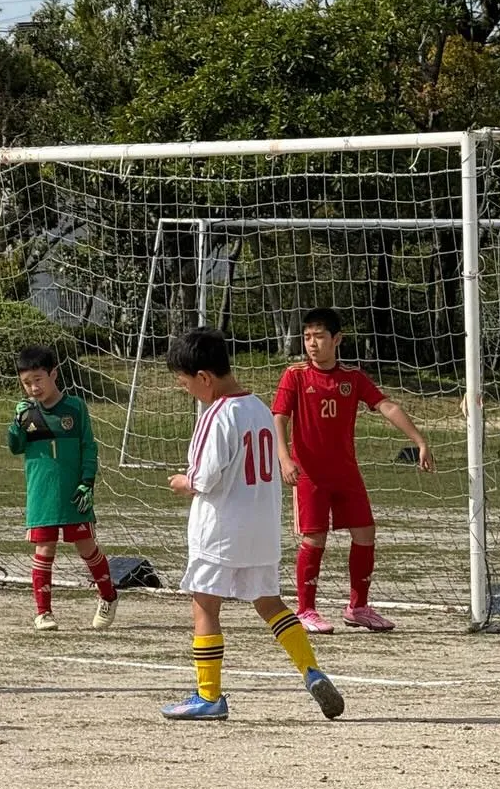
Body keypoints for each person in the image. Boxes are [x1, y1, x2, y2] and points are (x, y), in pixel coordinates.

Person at [163, 328, 343, 722]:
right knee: (269, 603)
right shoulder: (260, 409)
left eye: (186, 383)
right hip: (262, 528)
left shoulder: (217, 414)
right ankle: (311, 670)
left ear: (205, 378)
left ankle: (208, 696)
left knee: (205, 604)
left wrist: (183, 481)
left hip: (221, 528)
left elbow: (206, 477)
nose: (188, 391)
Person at [273, 307, 435, 634]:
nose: (312, 344)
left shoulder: (353, 377)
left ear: (337, 339)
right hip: (311, 475)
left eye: (319, 337)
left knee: (365, 532)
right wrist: (285, 459)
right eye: (307, 337)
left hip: (346, 473)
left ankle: (357, 607)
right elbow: (278, 417)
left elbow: (386, 405)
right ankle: (305, 610)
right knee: (314, 538)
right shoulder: (296, 374)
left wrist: (419, 439)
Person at [9, 344, 118, 632]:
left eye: (38, 380)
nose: (33, 388)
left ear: (53, 374)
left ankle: (108, 596)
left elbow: (88, 447)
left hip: (74, 492)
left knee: (86, 547)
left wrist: (87, 482)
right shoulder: (27, 412)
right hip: (41, 492)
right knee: (44, 550)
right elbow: (14, 447)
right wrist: (17, 425)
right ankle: (43, 612)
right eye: (27, 383)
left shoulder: (75, 407)